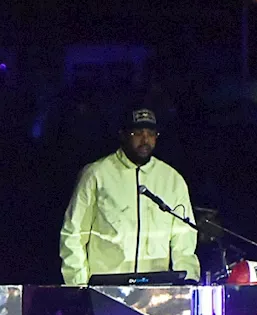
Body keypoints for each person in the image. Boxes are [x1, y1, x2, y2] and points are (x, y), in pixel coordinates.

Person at [59, 108, 200, 285]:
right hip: (106, 289)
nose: (145, 140)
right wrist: (79, 285)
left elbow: (184, 242)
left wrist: (187, 284)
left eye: (151, 133)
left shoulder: (172, 180)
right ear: (123, 135)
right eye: (138, 133)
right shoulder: (96, 174)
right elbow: (73, 233)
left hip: (156, 293)